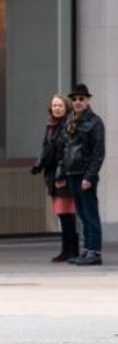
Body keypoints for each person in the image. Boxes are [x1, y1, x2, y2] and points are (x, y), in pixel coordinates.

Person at [58, 84, 104, 266]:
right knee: (82, 214)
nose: (77, 102)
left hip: (85, 175)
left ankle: (95, 252)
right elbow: (65, 149)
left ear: (88, 100)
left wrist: (89, 177)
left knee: (90, 213)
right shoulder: (70, 121)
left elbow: (98, 153)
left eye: (81, 99)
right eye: (75, 99)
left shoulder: (95, 122)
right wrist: (62, 173)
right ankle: (86, 250)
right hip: (72, 173)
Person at [30, 95, 78, 263]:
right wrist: (39, 164)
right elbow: (46, 148)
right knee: (62, 214)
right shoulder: (51, 126)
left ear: (66, 107)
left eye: (60, 105)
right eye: (54, 105)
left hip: (62, 174)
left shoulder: (69, 125)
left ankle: (72, 250)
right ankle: (66, 250)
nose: (57, 108)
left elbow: (68, 151)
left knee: (67, 214)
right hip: (52, 174)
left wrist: (62, 174)